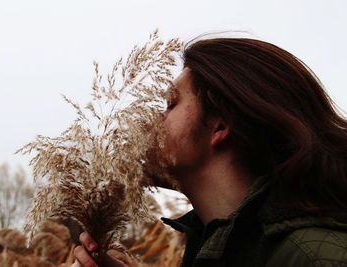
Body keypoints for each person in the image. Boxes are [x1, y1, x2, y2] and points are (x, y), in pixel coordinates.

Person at [72, 37, 347, 267]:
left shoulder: (314, 258)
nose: (151, 121)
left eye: (170, 104)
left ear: (220, 126)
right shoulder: (216, 249)